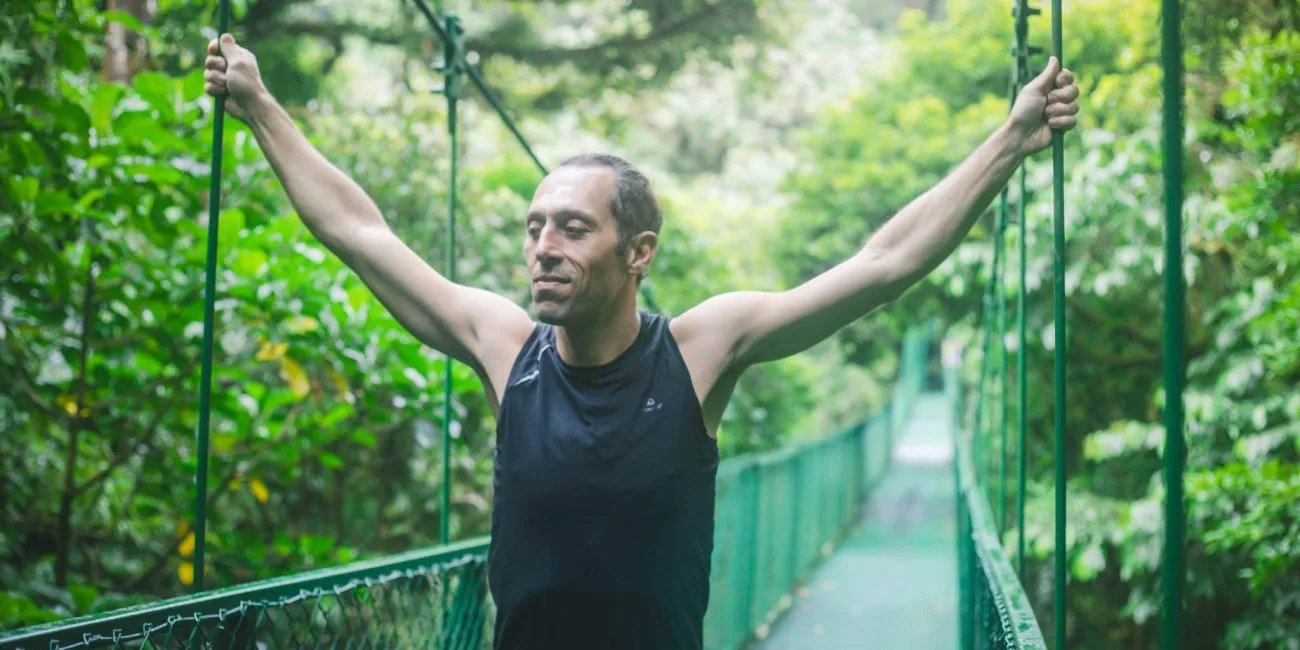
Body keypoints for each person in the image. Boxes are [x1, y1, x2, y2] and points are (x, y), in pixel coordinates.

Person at [203, 32, 1080, 649]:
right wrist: (260, 108)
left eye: (573, 229)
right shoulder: (505, 348)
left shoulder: (704, 350)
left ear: (638, 254)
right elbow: (361, 235)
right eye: (535, 225)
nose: (543, 246)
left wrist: (1011, 139)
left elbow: (883, 263)